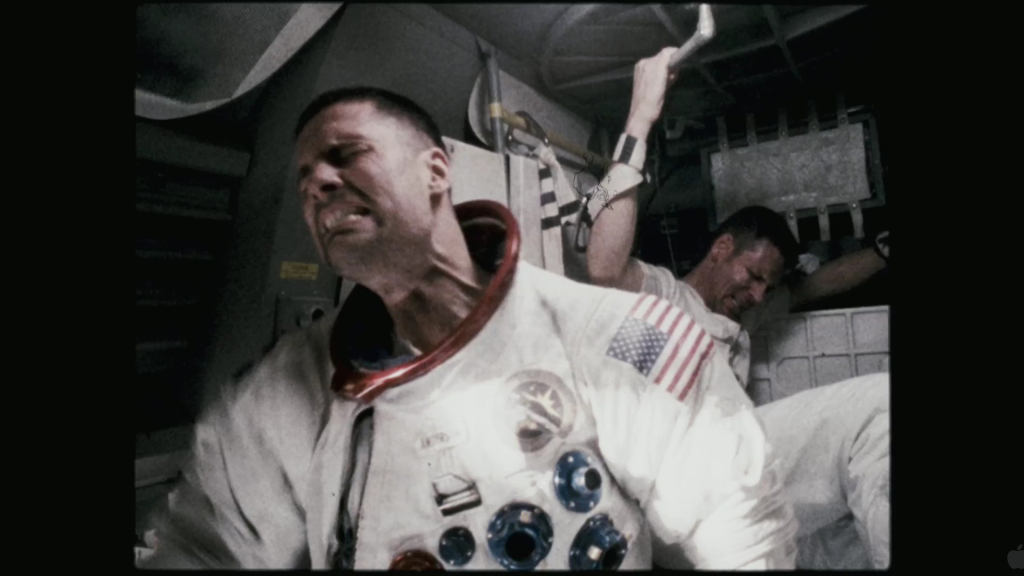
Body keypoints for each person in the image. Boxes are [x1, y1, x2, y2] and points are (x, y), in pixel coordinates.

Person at [139, 86, 798, 569]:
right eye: (306, 178)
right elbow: (204, 547)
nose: (318, 185)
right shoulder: (283, 395)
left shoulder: (611, 331)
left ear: (435, 171)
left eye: (346, 156)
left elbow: (738, 517)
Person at [581, 48, 891, 569]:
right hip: (679, 486)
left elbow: (816, 286)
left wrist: (884, 251)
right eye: (754, 276)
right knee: (880, 408)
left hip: (722, 509)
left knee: (850, 532)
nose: (758, 295)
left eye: (769, 288)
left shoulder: (742, 315)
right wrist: (639, 119)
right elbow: (604, 268)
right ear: (722, 248)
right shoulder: (663, 295)